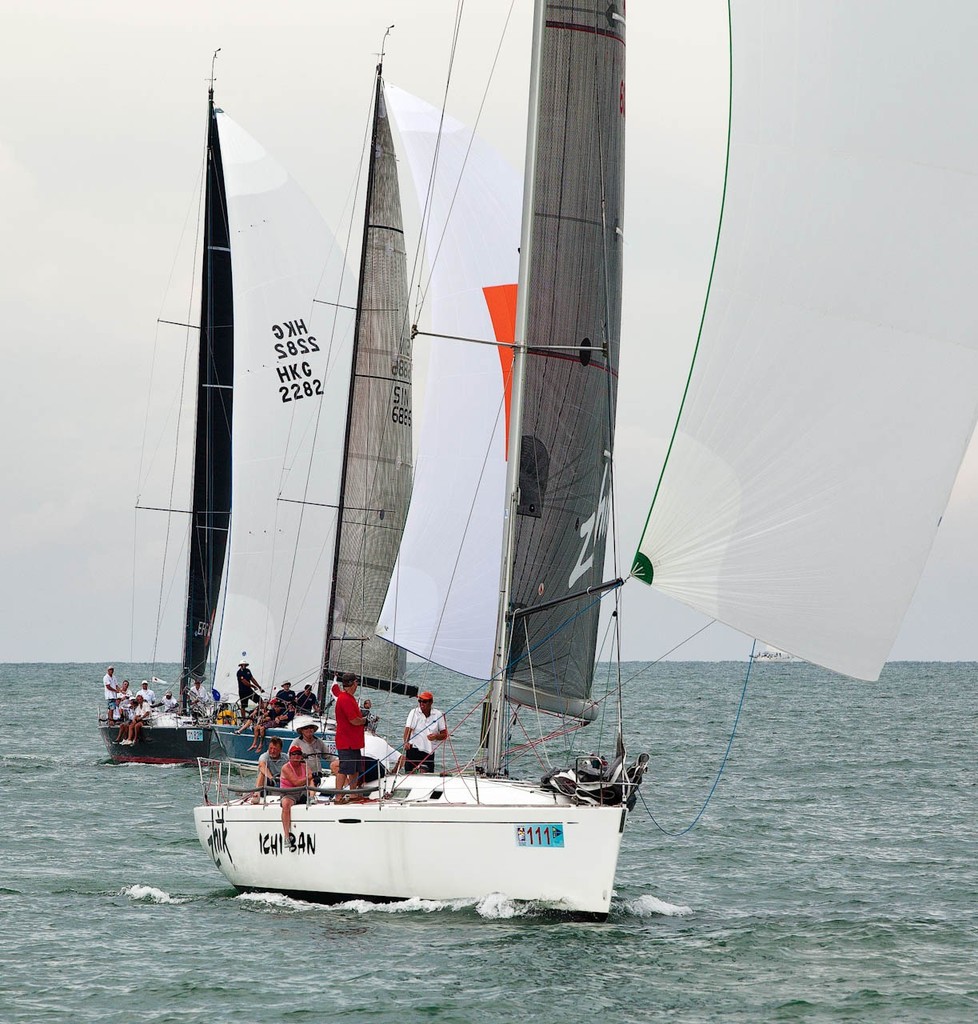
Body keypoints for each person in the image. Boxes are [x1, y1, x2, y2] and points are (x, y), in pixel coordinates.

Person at [333, 673, 370, 798]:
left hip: (353, 742)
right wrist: (365, 720)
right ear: (353, 683)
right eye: (356, 683)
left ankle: (353, 794)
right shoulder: (344, 698)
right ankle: (338, 796)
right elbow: (353, 720)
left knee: (354, 769)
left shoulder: (350, 698)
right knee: (344, 769)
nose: (357, 685)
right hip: (346, 742)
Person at [401, 691, 448, 773]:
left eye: (424, 701)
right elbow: (408, 730)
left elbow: (444, 735)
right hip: (413, 750)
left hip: (428, 752)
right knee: (410, 775)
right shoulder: (414, 712)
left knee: (427, 778)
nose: (421, 703)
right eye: (420, 701)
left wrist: (436, 736)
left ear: (431, 702)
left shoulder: (438, 714)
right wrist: (406, 742)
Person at [279, 744, 313, 842]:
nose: (296, 756)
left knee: (312, 788)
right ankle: (286, 835)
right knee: (285, 804)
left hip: (302, 792)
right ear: (290, 756)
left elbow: (311, 779)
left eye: (298, 754)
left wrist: (312, 793)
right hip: (289, 793)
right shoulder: (286, 768)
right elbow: (296, 782)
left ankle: (312, 797)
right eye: (293, 754)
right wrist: (310, 777)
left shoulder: (305, 766)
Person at [292, 717, 329, 784]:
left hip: (317, 775)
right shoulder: (296, 742)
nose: (309, 730)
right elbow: (290, 758)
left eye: (311, 727)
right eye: (306, 728)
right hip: (302, 776)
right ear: (302, 731)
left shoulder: (319, 742)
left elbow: (328, 756)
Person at [253, 736, 287, 801]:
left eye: (275, 749)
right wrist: (271, 777)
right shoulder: (264, 756)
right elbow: (262, 766)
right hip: (268, 780)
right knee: (262, 773)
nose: (272, 751)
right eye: (270, 748)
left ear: (280, 750)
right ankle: (257, 793)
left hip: (281, 780)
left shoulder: (285, 758)